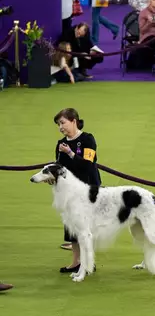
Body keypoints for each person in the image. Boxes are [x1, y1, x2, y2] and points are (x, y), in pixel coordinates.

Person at [54, 108, 102, 271]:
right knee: (71, 227)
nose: (60, 127)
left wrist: (70, 153)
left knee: (85, 227)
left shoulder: (88, 139)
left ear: (74, 120)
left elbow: (87, 165)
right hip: (69, 193)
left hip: (88, 190)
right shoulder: (60, 144)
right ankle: (76, 263)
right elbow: (59, 167)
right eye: (58, 124)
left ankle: (89, 262)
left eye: (63, 123)